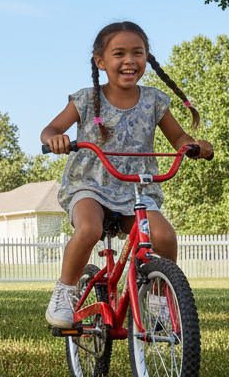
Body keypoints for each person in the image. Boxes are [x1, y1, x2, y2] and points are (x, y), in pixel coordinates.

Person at [41, 21, 214, 328]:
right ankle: (64, 291)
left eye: (138, 52)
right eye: (119, 53)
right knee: (89, 229)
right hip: (90, 185)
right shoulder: (85, 99)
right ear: (100, 62)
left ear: (147, 57)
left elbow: (178, 138)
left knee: (164, 236)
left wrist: (194, 146)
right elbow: (51, 128)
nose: (129, 60)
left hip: (136, 188)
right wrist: (55, 139)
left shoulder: (154, 101)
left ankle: (159, 301)